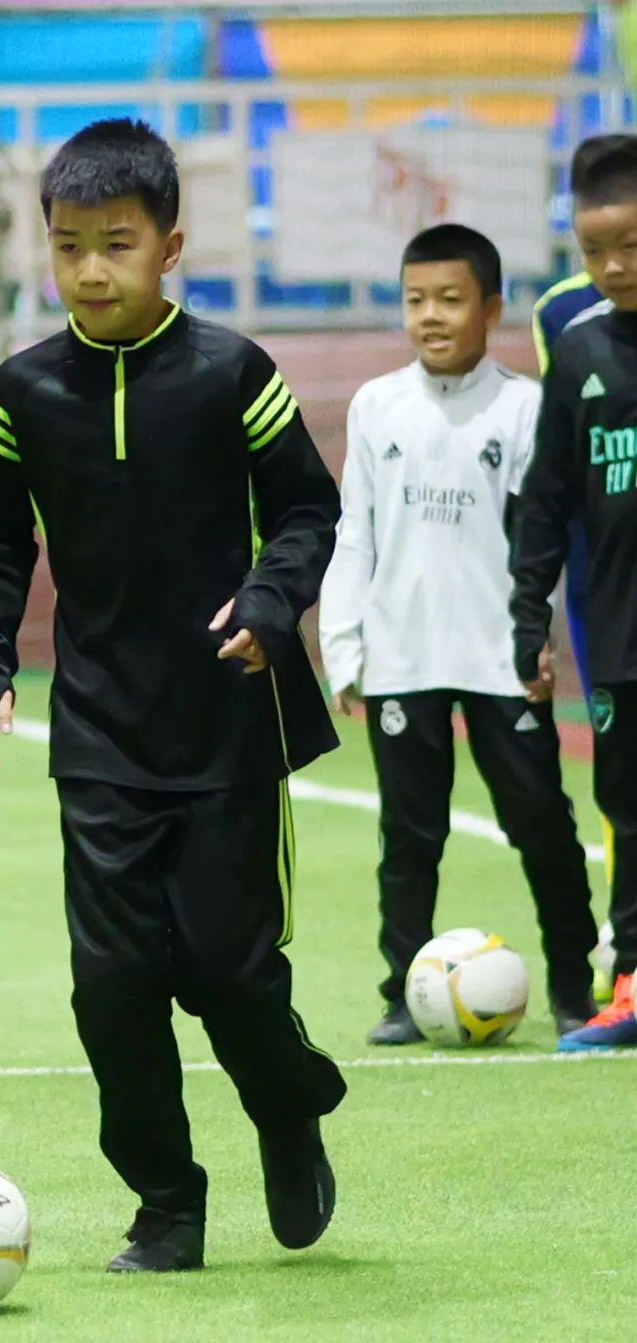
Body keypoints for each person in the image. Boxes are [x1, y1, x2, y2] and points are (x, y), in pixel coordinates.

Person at [0, 117, 346, 1273]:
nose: (89, 270)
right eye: (68, 245)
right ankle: (168, 1204)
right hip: (100, 737)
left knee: (231, 974)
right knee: (113, 987)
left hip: (229, 730)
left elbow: (308, 509)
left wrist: (271, 601)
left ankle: (288, 1101)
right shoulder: (21, 391)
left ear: (170, 247)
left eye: (115, 244)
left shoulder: (234, 373)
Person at [318, 223, 597, 1046]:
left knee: (542, 824)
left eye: (450, 299)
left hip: (500, 656)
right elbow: (355, 531)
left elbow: (541, 538)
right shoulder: (377, 405)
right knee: (409, 835)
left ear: (492, 309)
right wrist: (344, 644)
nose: (431, 316)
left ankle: (575, 990)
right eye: (416, 300)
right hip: (401, 656)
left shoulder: (526, 406)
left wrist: (537, 636)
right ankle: (404, 994)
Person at [511, 143, 637, 1051]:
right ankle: (630, 980)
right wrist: (529, 619)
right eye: (596, 251)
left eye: (631, 245)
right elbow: (546, 501)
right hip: (622, 632)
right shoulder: (581, 352)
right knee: (629, 810)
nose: (615, 266)